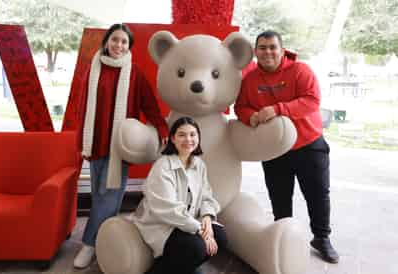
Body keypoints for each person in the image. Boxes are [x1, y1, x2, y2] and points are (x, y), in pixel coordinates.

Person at [234, 30, 339, 264]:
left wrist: (278, 109)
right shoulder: (249, 79)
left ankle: (321, 238)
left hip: (309, 145)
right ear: (256, 52)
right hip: (273, 149)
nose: (268, 52)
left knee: (317, 194)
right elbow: (240, 107)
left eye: (272, 47)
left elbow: (312, 100)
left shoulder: (300, 70)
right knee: (280, 197)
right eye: (262, 47)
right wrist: (250, 117)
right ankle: (281, 238)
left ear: (282, 50)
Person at [73, 23, 169, 269]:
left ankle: (89, 244)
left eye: (124, 42)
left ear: (129, 47)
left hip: (118, 147)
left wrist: (161, 128)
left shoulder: (134, 73)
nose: (119, 45)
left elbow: (149, 105)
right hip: (95, 144)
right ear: (107, 41)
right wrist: (80, 143)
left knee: (108, 196)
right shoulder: (93, 69)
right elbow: (83, 108)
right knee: (100, 196)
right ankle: (107, 241)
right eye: (115, 40)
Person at [133, 117, 227, 274]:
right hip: (162, 224)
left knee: (221, 238)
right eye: (182, 135)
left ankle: (184, 267)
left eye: (192, 134)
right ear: (172, 139)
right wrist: (201, 230)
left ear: (198, 137)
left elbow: (206, 196)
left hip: (187, 221)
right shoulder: (163, 166)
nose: (188, 139)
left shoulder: (198, 164)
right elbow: (168, 209)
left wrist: (207, 218)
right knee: (197, 247)